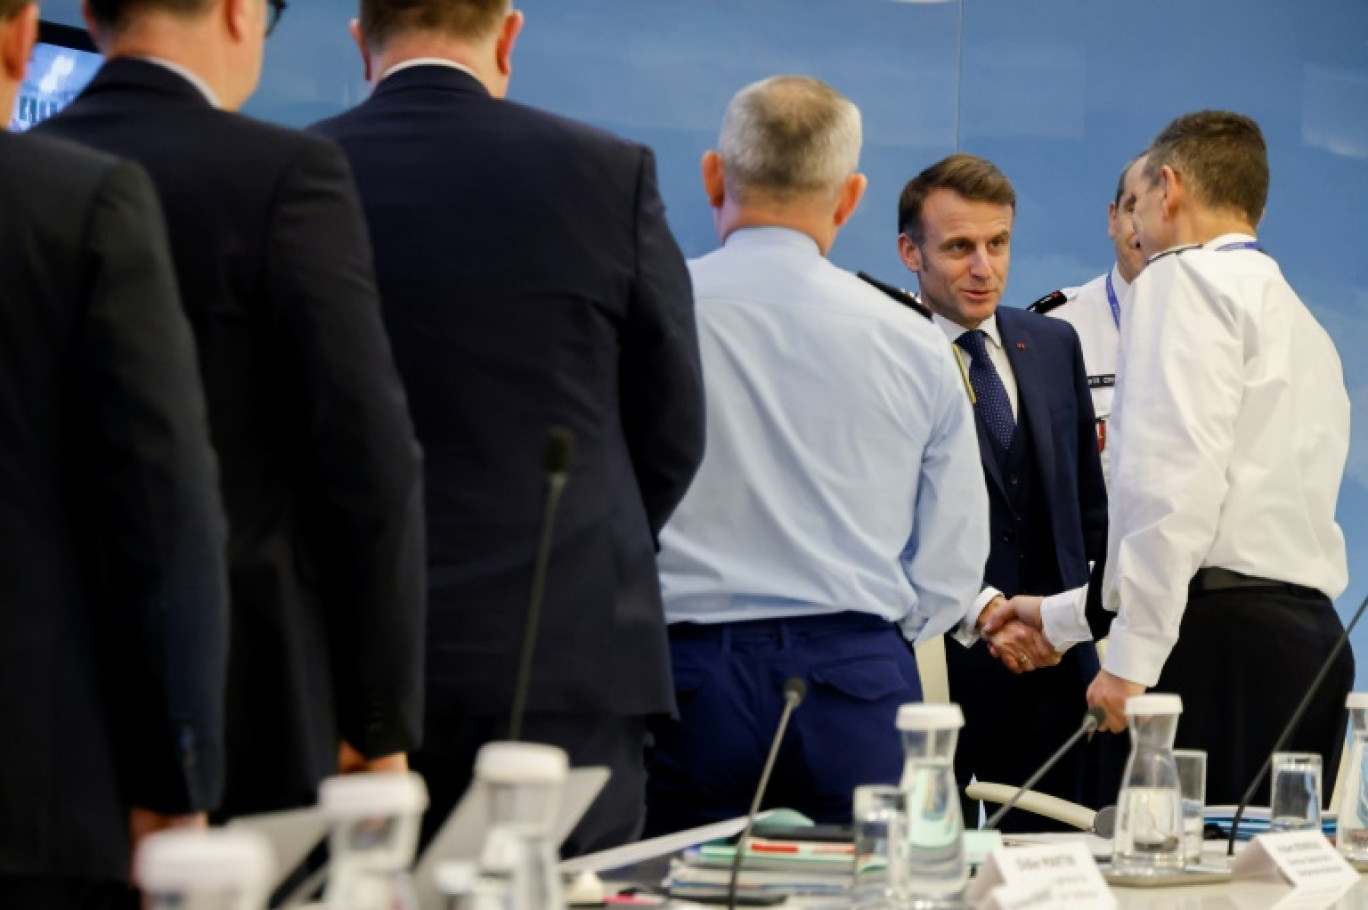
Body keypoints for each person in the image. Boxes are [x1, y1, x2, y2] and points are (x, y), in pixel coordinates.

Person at [312, 0, 705, 854]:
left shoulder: (302, 171)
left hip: (341, 665)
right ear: (509, 33)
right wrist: (586, 536)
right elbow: (674, 422)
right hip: (566, 649)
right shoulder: (608, 173)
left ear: (359, 42)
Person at [38, 0, 427, 817]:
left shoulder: (28, 174)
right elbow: (367, 460)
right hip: (248, 694)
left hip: (51, 702)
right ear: (238, 11)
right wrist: (377, 716)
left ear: (90, 13)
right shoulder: (286, 174)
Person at [645, 76, 990, 835]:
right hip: (856, 681)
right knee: (873, 891)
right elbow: (954, 561)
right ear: (850, 196)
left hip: (684, 680)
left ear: (713, 176)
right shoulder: (914, 342)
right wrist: (870, 636)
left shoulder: (649, 316)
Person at [0, 1, 229, 903]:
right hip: (30, 791)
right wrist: (179, 783)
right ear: (21, 34)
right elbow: (161, 512)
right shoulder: (77, 204)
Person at [1085, 110, 1352, 805]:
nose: (1134, 229)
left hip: (1215, 651)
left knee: (1172, 880)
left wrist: (1131, 657)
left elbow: (1173, 482)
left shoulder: (1180, 280)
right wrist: (1061, 618)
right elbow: (1247, 514)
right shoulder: (1304, 322)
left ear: (1168, 188)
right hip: (1309, 644)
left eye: (1136, 206)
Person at [896, 154, 1108, 828]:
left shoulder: (1051, 342)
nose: (984, 267)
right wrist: (987, 613)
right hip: (933, 668)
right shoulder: (886, 352)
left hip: (1052, 670)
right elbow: (882, 518)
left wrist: (1074, 627)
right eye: (959, 247)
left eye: (998, 243)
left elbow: (1087, 514)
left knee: (1056, 877)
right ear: (910, 252)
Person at [1028, 154, 1148, 487]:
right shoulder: (1053, 329)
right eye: (1133, 208)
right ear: (1113, 219)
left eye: (1161, 210)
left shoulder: (1220, 327)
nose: (1144, 227)